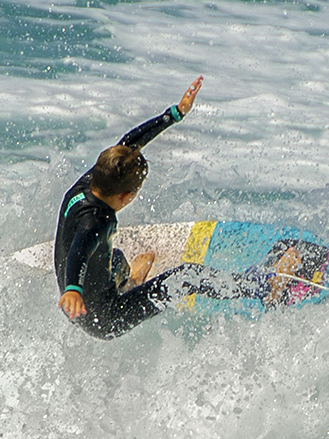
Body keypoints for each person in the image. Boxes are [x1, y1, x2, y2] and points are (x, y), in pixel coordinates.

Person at [54, 76, 273, 339]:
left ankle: (131, 281)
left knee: (115, 257)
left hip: (85, 299)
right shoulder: (96, 223)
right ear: (126, 197)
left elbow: (128, 143)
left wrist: (174, 114)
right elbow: (80, 247)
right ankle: (260, 286)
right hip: (104, 318)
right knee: (187, 276)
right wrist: (74, 289)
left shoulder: (92, 180)